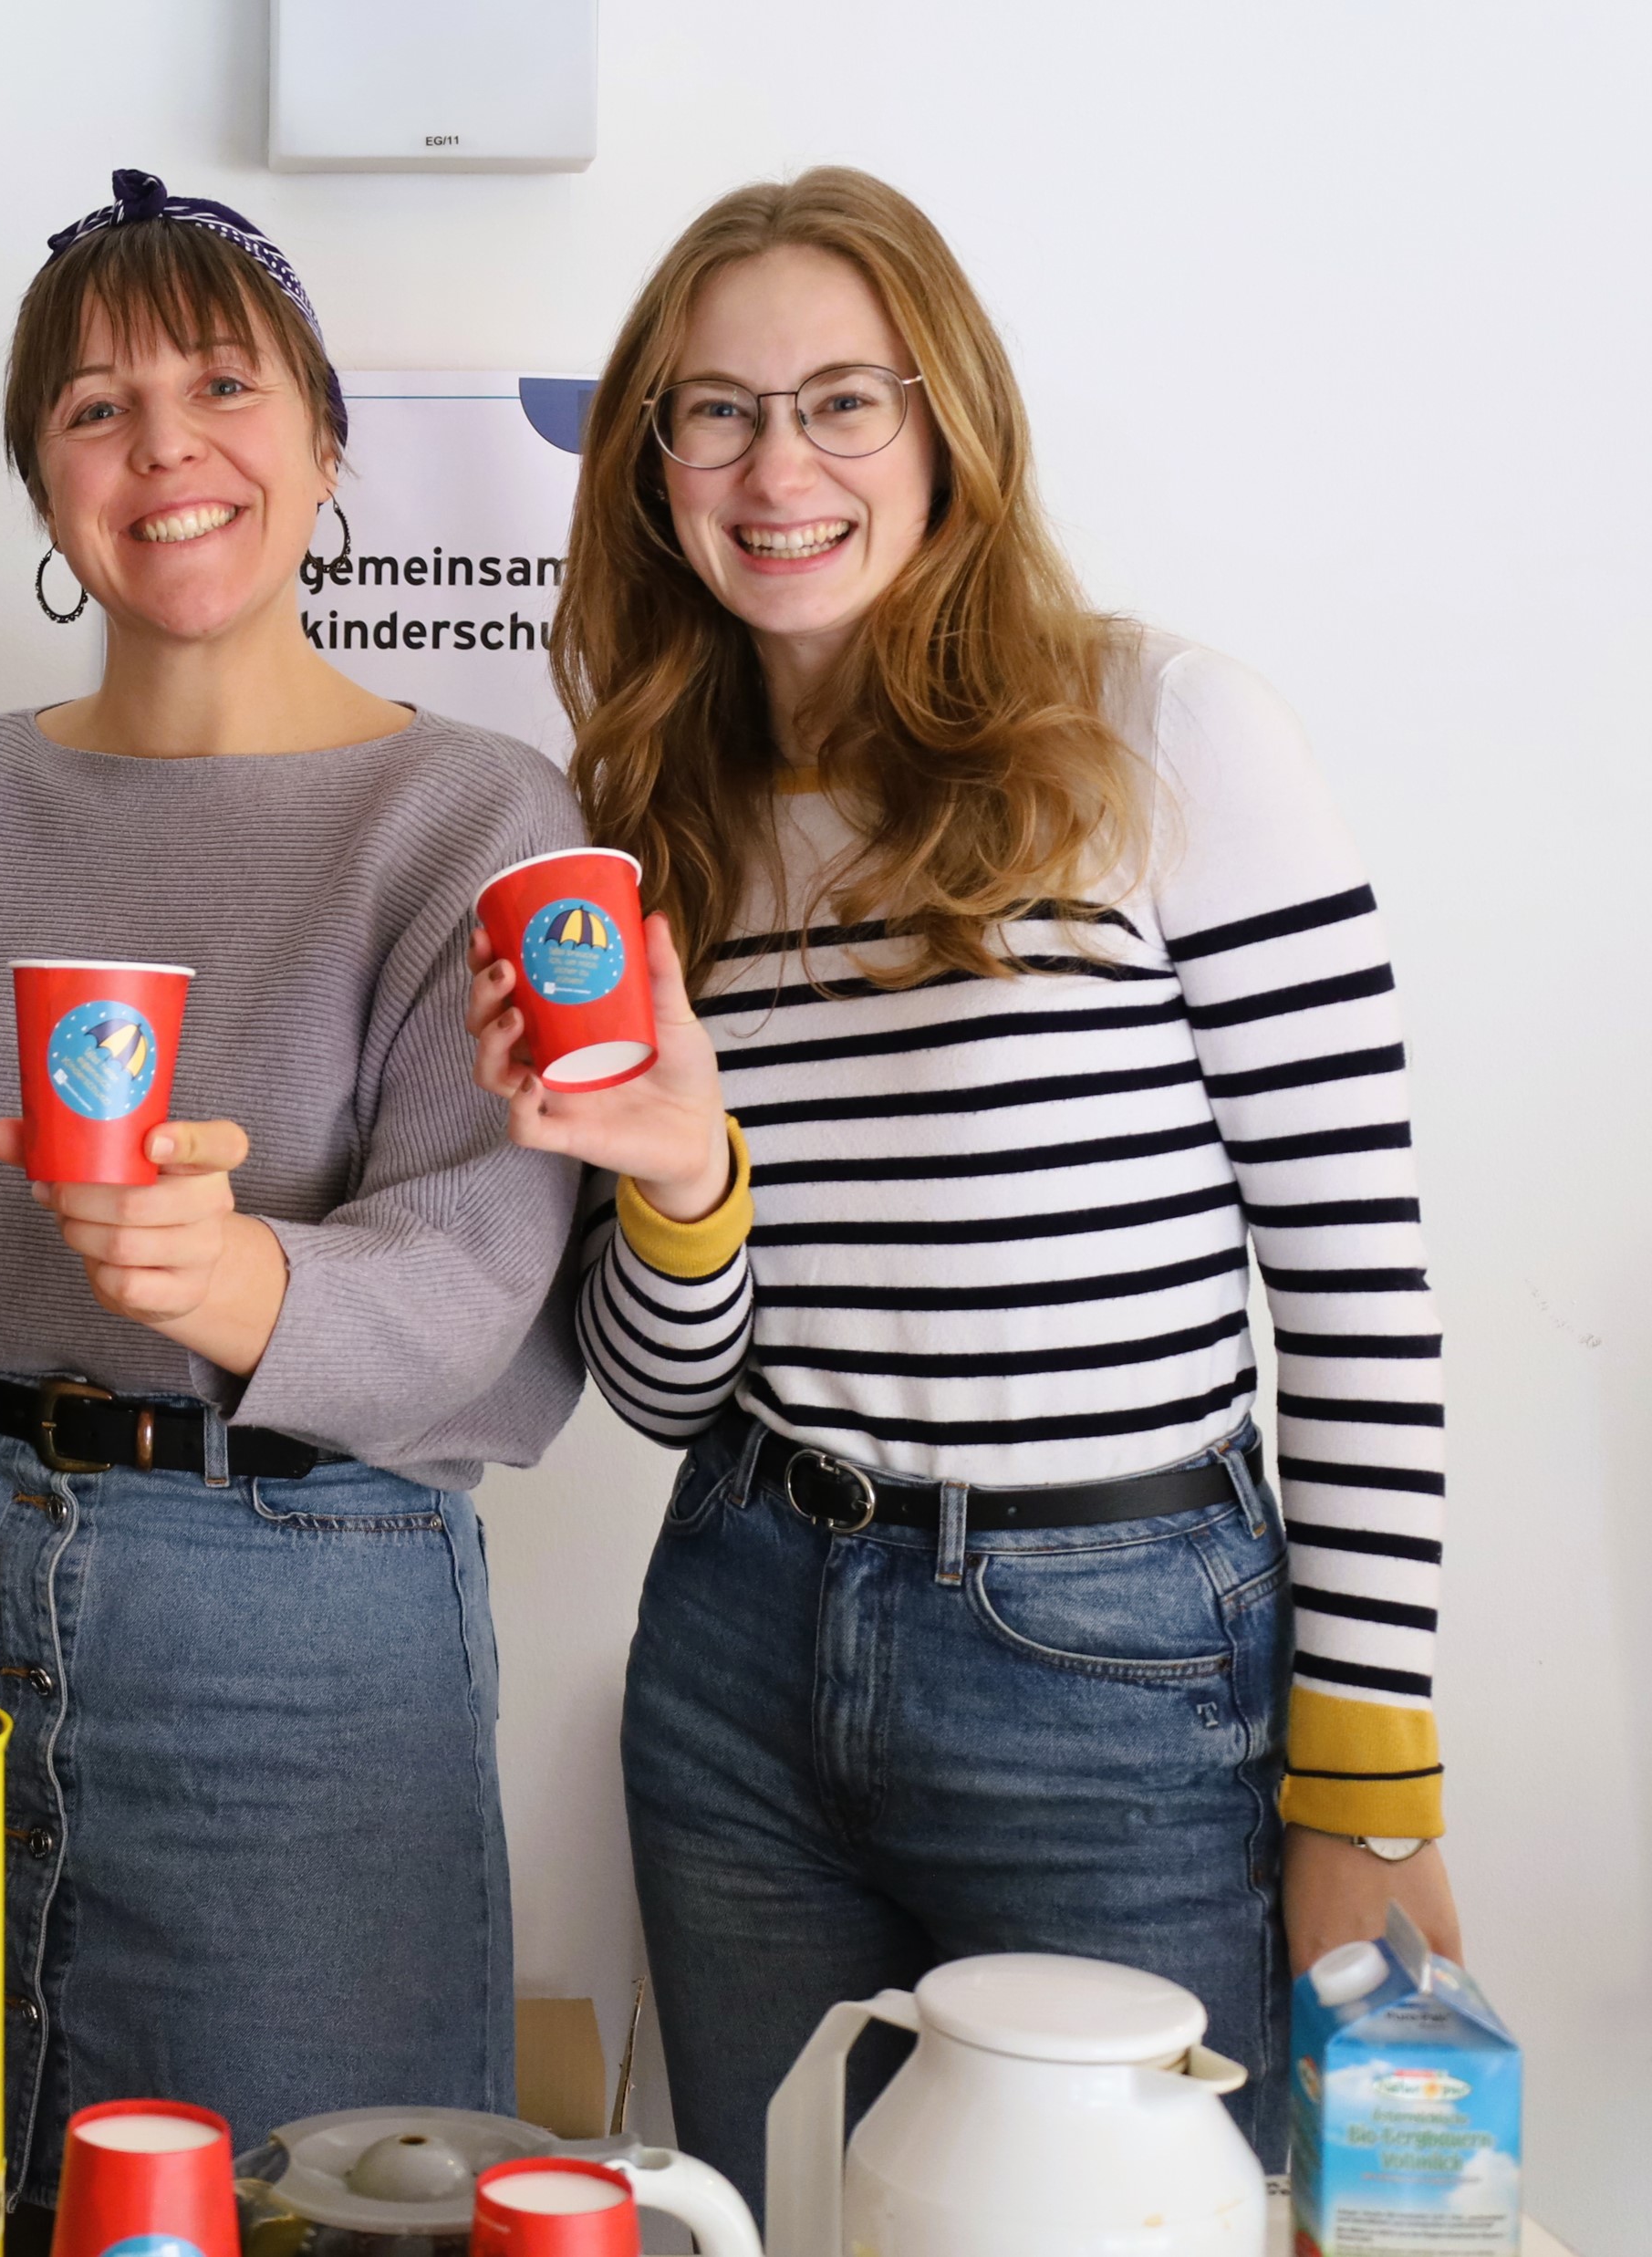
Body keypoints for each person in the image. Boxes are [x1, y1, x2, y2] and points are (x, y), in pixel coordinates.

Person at [467, 168, 1463, 2194]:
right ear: (651, 458)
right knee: (783, 2212)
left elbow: (1355, 1293)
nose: (776, 466)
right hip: (739, 1626)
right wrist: (677, 1180)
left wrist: (1364, 1783)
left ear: (948, 430)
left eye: (844, 400)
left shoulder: (1159, 731)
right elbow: (658, 1393)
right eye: (712, 409)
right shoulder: (647, 824)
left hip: (1107, 1659)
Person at [0, 170, 585, 2218]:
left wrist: (242, 1281)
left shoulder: (471, 814)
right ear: (41, 488)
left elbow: (495, 1274)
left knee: (300, 2201)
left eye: (221, 386)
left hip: (304, 1628)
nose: (162, 448)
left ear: (325, 443)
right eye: (90, 409)